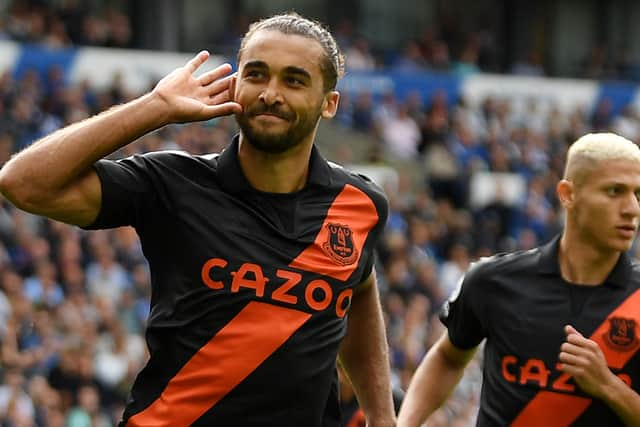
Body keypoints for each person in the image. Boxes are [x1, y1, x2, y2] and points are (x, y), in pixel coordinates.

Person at [0, 12, 396, 427]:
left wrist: (383, 418)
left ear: (328, 103)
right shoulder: (173, 183)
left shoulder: (360, 204)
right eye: (256, 74)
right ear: (235, 82)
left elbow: (359, 291)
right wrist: (155, 107)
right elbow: (22, 182)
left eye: (294, 80)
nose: (270, 93)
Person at [398, 133, 640, 426]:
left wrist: (609, 386)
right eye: (615, 191)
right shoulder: (494, 280)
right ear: (567, 194)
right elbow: (449, 358)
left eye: (637, 194)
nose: (632, 209)